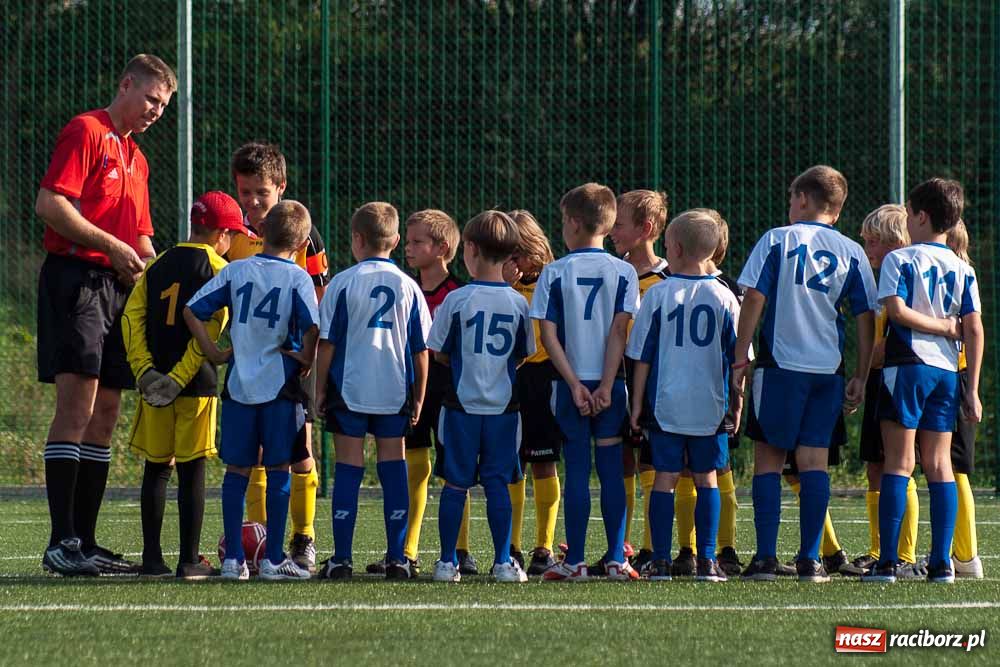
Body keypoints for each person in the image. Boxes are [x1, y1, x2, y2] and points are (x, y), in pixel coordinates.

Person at [36, 54, 177, 576]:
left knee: (107, 412)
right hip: (77, 279)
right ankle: (61, 541)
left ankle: (86, 542)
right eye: (151, 99)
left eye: (163, 106)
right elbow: (50, 205)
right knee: (78, 406)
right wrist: (113, 247)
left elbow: (140, 237)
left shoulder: (137, 157)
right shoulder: (87, 130)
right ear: (125, 85)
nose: (156, 111)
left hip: (118, 288)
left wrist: (163, 276)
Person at [733, 165, 877, 583]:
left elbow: (754, 298)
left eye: (792, 198)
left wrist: (740, 357)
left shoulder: (776, 239)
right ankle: (810, 560)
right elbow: (866, 316)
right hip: (827, 370)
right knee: (814, 463)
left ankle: (765, 558)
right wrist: (861, 373)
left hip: (781, 366)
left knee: (768, 459)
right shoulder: (851, 251)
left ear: (801, 199)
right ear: (837, 209)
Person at [184, 200, 320, 581]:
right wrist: (306, 357)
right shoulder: (298, 278)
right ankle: (274, 559)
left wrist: (214, 352)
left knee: (237, 471)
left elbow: (192, 310)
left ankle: (233, 561)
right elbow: (313, 327)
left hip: (239, 386)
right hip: (280, 389)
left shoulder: (237, 270)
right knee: (279, 469)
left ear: (260, 233)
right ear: (302, 243)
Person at [863, 178, 983, 584]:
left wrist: (939, 327)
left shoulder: (901, 260)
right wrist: (973, 389)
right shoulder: (963, 267)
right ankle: (941, 564)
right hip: (947, 373)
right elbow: (975, 329)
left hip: (907, 365)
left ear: (920, 216)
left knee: (900, 462)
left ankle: (887, 563)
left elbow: (896, 312)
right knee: (940, 464)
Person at [122, 191, 247, 578]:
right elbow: (211, 328)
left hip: (154, 385)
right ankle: (189, 560)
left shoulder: (158, 263)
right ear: (222, 234)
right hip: (195, 386)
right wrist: (179, 378)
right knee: (192, 469)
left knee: (157, 468)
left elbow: (131, 317)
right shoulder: (219, 268)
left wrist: (144, 371)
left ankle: (152, 560)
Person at [227, 142, 329, 572]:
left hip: (290, 365)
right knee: (249, 455)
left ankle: (303, 537)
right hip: (247, 363)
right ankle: (260, 536)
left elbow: (319, 295)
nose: (252, 202)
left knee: (297, 450)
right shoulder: (231, 234)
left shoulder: (303, 235)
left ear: (281, 188)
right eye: (244, 192)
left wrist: (309, 355)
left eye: (261, 193)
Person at [315, 202, 431, 580]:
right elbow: (421, 350)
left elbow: (327, 343)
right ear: (396, 241)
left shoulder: (343, 283)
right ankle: (398, 559)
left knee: (349, 466)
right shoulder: (409, 286)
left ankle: (341, 560)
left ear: (357, 239)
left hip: (348, 388)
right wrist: (419, 396)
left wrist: (319, 388)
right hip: (393, 388)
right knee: (393, 466)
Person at [530, 183, 640, 582]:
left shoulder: (555, 272)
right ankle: (616, 560)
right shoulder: (624, 271)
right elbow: (619, 332)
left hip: (569, 385)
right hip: (611, 385)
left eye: (563, 220)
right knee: (611, 469)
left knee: (576, 466)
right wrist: (606, 385)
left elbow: (548, 336)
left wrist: (575, 384)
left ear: (575, 222)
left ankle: (575, 560)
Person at [627, 210, 742, 582]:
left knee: (665, 478)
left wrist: (636, 404)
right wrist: (738, 403)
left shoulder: (658, 294)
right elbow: (739, 360)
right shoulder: (725, 296)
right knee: (707, 478)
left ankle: (661, 561)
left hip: (666, 405)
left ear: (675, 248)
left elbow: (641, 356)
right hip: (710, 405)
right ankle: (707, 561)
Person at [428, 211, 533, 583]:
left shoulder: (457, 300)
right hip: (504, 409)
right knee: (497, 483)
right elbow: (522, 354)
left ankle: (446, 563)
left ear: (469, 248)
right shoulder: (519, 303)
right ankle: (503, 562)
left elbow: (439, 351)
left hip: (460, 406)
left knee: (456, 484)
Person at [367, 209, 471, 578]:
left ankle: (460, 550)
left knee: (454, 468)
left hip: (449, 388)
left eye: (417, 242)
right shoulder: (404, 289)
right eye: (407, 241)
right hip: (411, 385)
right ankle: (405, 550)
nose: (408, 248)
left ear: (442, 248)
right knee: (413, 465)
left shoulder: (459, 293)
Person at [850, 204, 923, 577]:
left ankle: (904, 553)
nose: (869, 250)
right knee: (875, 467)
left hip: (900, 375)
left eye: (874, 242)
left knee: (900, 465)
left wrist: (872, 362)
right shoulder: (881, 281)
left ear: (896, 241)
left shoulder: (907, 275)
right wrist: (863, 377)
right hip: (880, 379)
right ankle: (880, 549)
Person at [606, 189, 669, 576]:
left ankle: (651, 547)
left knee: (652, 461)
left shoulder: (668, 277)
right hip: (617, 376)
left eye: (619, 225)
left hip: (655, 380)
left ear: (645, 229)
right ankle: (621, 546)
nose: (611, 231)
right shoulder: (613, 273)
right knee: (622, 461)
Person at [503, 210, 562, 575]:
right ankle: (511, 546)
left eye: (518, 254)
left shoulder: (553, 280)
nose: (513, 262)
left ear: (534, 248)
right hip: (509, 378)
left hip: (544, 377)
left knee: (544, 461)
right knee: (512, 464)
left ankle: (544, 546)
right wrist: (505, 284)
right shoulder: (500, 284)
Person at [945, 220, 984, 579]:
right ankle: (960, 553)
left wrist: (971, 389)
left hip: (952, 376)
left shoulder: (955, 275)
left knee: (954, 468)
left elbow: (973, 331)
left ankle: (967, 554)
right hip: (953, 376)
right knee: (950, 468)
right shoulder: (960, 274)